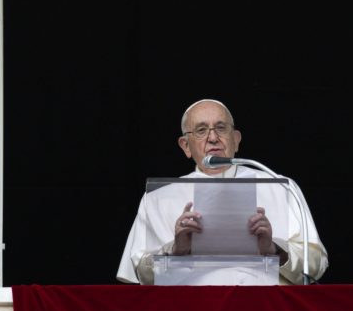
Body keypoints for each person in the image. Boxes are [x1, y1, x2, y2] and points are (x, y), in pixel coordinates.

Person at [117, 98, 328, 285]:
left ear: (236, 139)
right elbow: (140, 275)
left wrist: (274, 250)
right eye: (201, 130)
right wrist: (176, 251)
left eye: (221, 128)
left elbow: (315, 265)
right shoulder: (157, 198)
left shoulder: (280, 187)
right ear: (185, 146)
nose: (213, 138)